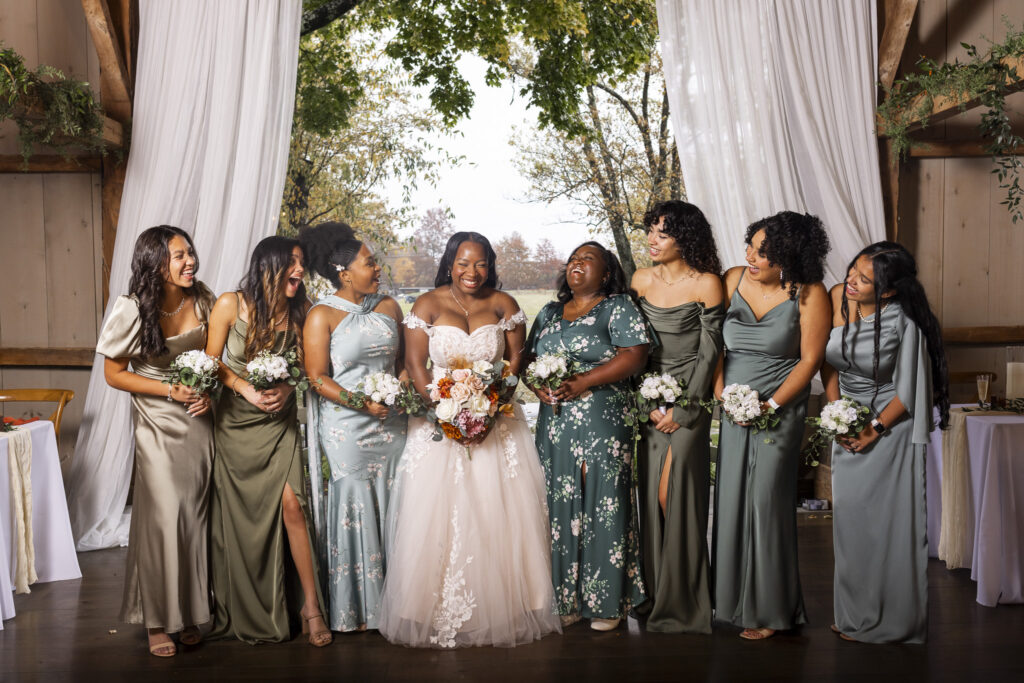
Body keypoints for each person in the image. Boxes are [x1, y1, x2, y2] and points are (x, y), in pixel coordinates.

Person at [378, 232, 560, 648]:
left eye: (479, 264)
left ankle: (510, 605)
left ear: (489, 265)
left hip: (496, 422)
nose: (471, 272)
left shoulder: (504, 304)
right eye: (463, 263)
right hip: (438, 423)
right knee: (434, 513)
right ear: (450, 263)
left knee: (499, 510)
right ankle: (425, 607)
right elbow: (414, 363)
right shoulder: (426, 303)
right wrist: (447, 414)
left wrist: (490, 407)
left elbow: (516, 360)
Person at [205, 236, 331, 647]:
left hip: (278, 424)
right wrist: (243, 387)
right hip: (235, 425)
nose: (300, 269)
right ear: (269, 265)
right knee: (244, 517)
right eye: (292, 262)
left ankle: (310, 606)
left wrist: (289, 390)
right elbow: (212, 362)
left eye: (302, 262)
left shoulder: (303, 312)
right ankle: (249, 603)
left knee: (293, 506)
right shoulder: (229, 304)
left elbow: (310, 369)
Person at [712, 211, 831, 640]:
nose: (752, 256)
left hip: (780, 408)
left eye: (764, 251)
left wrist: (771, 404)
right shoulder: (730, 280)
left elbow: (811, 360)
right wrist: (722, 393)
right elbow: (711, 345)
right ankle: (728, 602)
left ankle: (769, 608)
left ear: (790, 255)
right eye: (750, 246)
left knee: (766, 502)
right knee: (731, 499)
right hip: (731, 406)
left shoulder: (811, 292)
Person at [821, 242, 948, 644]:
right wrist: (836, 413)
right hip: (847, 430)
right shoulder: (843, 301)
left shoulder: (903, 322)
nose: (851, 281)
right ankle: (854, 614)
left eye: (863, 279)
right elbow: (830, 363)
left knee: (886, 530)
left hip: (886, 433)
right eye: (852, 271)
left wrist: (869, 429)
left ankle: (891, 621)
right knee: (851, 530)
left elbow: (907, 394)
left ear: (889, 291)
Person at [96, 225, 214, 657]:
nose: (190, 262)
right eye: (179, 256)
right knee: (163, 516)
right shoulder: (131, 307)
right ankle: (156, 620)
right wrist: (170, 391)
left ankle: (189, 612)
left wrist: (207, 392)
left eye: (190, 253)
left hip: (199, 419)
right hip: (157, 419)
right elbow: (113, 374)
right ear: (154, 262)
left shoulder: (201, 296)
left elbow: (216, 356)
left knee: (193, 517)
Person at [526, 241, 650, 631]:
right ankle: (567, 598)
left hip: (602, 416)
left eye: (587, 259)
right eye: (572, 259)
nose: (576, 264)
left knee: (603, 501)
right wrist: (537, 387)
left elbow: (635, 354)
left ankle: (607, 602)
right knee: (558, 505)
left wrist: (584, 381)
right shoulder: (548, 312)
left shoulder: (618, 307)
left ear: (607, 272)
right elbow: (530, 360)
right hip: (555, 421)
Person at [300, 222, 407, 633]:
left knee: (396, 499)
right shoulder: (321, 315)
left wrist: (396, 394)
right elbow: (316, 377)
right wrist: (363, 403)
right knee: (355, 502)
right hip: (347, 428)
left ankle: (398, 603)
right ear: (344, 272)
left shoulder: (389, 308)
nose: (377, 268)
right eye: (370, 262)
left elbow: (400, 366)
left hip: (392, 424)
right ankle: (357, 610)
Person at [630, 201, 725, 634]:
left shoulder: (707, 284)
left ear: (685, 238)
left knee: (675, 495)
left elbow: (710, 354)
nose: (652, 239)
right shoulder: (640, 279)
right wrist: (644, 403)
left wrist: (685, 408)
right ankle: (655, 594)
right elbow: (632, 350)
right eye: (650, 230)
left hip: (692, 398)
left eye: (662, 233)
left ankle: (684, 600)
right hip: (649, 397)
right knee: (651, 498)